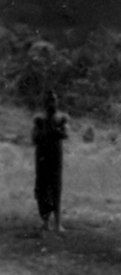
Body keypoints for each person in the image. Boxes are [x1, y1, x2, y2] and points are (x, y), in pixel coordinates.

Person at [32, 90, 69, 232]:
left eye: (53, 100)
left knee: (55, 188)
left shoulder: (61, 119)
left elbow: (65, 134)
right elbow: (34, 138)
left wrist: (54, 131)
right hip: (42, 158)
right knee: (42, 189)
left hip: (54, 157)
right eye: (49, 100)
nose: (51, 103)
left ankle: (57, 222)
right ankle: (45, 221)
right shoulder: (39, 120)